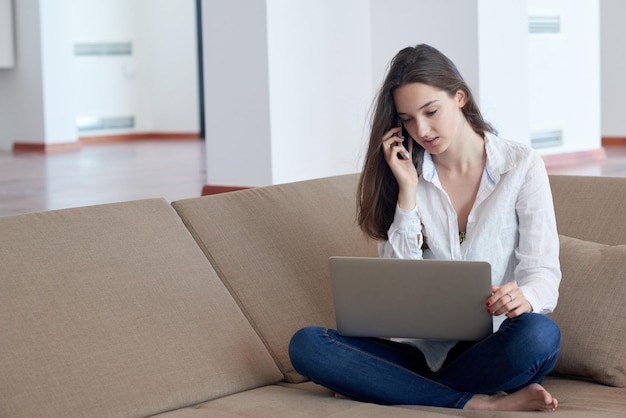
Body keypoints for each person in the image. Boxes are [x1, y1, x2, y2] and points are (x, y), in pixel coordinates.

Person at [288, 44, 562, 412]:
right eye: (408, 119)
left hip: (495, 348)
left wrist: (524, 296)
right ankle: (478, 404)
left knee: (541, 335)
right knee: (307, 344)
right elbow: (397, 285)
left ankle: (389, 387)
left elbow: (543, 272)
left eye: (431, 111)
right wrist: (407, 193)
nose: (423, 130)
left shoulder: (522, 167)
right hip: (422, 353)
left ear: (460, 97)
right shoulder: (406, 178)